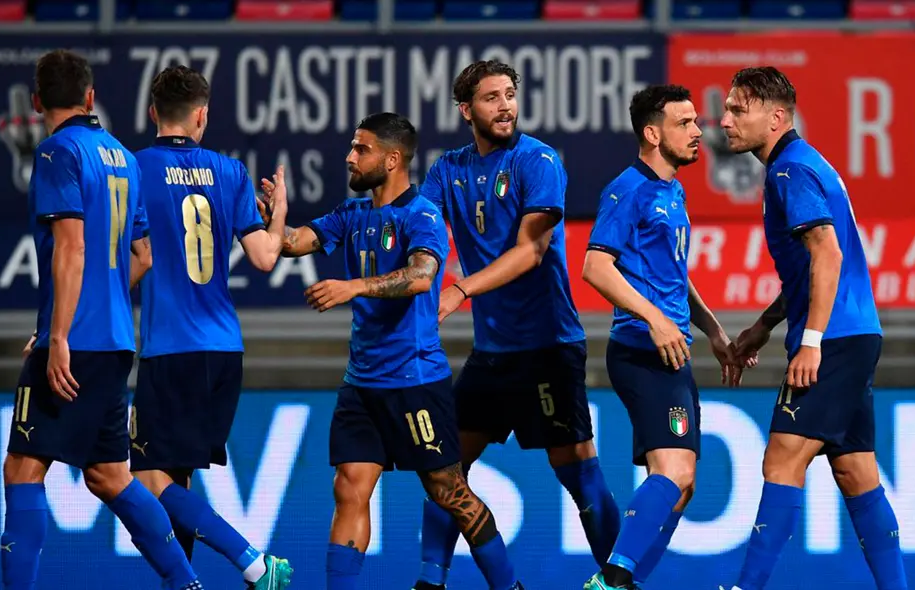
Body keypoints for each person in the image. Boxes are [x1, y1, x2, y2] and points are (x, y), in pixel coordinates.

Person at [261, 112, 523, 590]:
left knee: (449, 492)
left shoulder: (421, 213)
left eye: (361, 149)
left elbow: (422, 276)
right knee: (349, 487)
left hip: (414, 381)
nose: (350, 156)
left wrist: (353, 287)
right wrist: (276, 217)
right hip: (362, 383)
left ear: (392, 158)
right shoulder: (351, 214)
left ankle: (509, 587)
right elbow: (295, 243)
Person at [412, 59, 620, 590]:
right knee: (444, 470)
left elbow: (531, 249)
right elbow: (414, 228)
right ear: (467, 110)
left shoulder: (539, 161)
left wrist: (459, 287)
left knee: (577, 472)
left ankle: (621, 581)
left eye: (510, 94)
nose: (505, 105)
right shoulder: (447, 171)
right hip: (492, 353)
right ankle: (430, 582)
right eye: (491, 97)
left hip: (548, 346)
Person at [1, 49, 203, 590]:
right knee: (110, 475)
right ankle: (186, 583)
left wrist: (59, 331)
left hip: (76, 341)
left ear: (38, 101)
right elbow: (143, 255)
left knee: (23, 469)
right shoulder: (121, 156)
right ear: (90, 98)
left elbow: (70, 249)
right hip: (116, 339)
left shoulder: (55, 153)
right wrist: (90, 308)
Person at [718, 66, 906, 590]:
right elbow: (810, 270)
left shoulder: (789, 171)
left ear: (776, 117)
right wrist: (763, 326)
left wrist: (810, 342)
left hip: (836, 339)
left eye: (738, 109)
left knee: (782, 457)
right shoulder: (800, 163)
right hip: (854, 331)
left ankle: (746, 587)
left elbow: (828, 254)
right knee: (855, 471)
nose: (724, 120)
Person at [130, 65, 293, 589]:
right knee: (175, 479)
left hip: (170, 351)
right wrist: (279, 214)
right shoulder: (230, 172)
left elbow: (138, 257)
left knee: (144, 480)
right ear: (202, 115)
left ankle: (253, 562)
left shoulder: (135, 170)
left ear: (153, 112)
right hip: (223, 349)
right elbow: (267, 257)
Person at [581, 85, 746, 589]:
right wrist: (654, 318)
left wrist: (713, 329)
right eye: (685, 123)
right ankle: (612, 581)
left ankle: (622, 581)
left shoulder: (672, 189)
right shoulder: (626, 189)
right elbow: (594, 266)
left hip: (671, 350)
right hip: (641, 349)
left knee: (681, 485)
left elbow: (673, 274)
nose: (700, 132)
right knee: (674, 471)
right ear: (653, 133)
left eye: (698, 121)